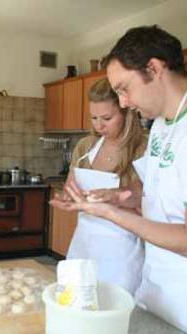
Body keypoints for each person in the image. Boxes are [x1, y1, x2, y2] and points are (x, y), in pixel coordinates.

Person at [56, 25, 187, 334]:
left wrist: (112, 214)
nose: (124, 102)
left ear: (154, 69)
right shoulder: (163, 125)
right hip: (164, 272)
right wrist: (121, 197)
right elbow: (154, 190)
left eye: (125, 88)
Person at [51, 78, 147, 295]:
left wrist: (116, 197)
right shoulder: (86, 146)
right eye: (93, 118)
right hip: (84, 243)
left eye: (107, 118)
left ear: (126, 113)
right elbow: (70, 187)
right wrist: (68, 198)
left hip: (122, 249)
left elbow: (148, 199)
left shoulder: (142, 148)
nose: (98, 125)